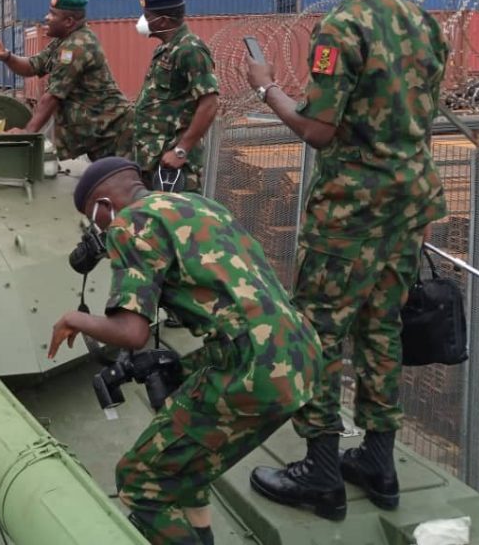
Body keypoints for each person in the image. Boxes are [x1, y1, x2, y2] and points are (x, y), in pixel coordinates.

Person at [246, 0, 448, 519]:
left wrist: (265, 87)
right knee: (382, 328)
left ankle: (323, 473)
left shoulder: (343, 27)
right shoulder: (424, 22)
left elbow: (319, 131)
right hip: (408, 202)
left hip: (352, 212)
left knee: (321, 333)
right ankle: (379, 463)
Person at [48, 157, 320, 545]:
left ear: (102, 206)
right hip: (300, 350)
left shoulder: (129, 223)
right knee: (187, 467)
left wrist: (77, 319)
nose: (102, 232)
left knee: (140, 480)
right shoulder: (200, 204)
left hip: (252, 368)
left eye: (97, 221)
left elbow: (132, 331)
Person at [0, 0, 133, 160]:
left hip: (114, 132)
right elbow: (32, 66)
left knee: (121, 181)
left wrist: (27, 132)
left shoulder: (77, 46)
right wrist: (7, 56)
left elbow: (52, 97)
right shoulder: (63, 40)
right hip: (98, 132)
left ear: (69, 22)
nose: (46, 17)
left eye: (52, 14)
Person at [133, 0, 219, 193]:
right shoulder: (166, 49)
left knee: (176, 221)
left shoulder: (189, 50)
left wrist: (181, 151)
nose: (143, 21)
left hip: (173, 164)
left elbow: (209, 103)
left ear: (163, 21)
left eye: (148, 16)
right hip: (154, 158)